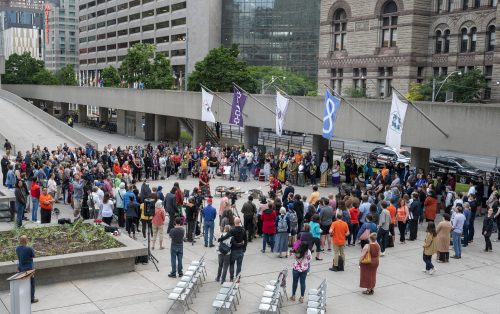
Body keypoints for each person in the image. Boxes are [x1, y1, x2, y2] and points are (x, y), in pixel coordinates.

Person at [218, 217, 247, 282]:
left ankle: (231, 278)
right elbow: (246, 240)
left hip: (233, 250)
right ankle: (238, 278)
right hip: (240, 250)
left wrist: (220, 239)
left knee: (232, 264)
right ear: (239, 222)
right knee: (239, 265)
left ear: (234, 222)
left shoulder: (232, 230)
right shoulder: (243, 230)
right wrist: (244, 248)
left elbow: (226, 236)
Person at [16, 235, 37, 303]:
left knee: (23, 284)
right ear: (26, 240)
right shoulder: (29, 248)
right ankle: (32, 298)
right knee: (31, 284)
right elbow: (34, 256)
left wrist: (19, 267)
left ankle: (24, 298)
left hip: (21, 268)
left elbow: (19, 258)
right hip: (29, 269)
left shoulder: (17, 248)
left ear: (20, 241)